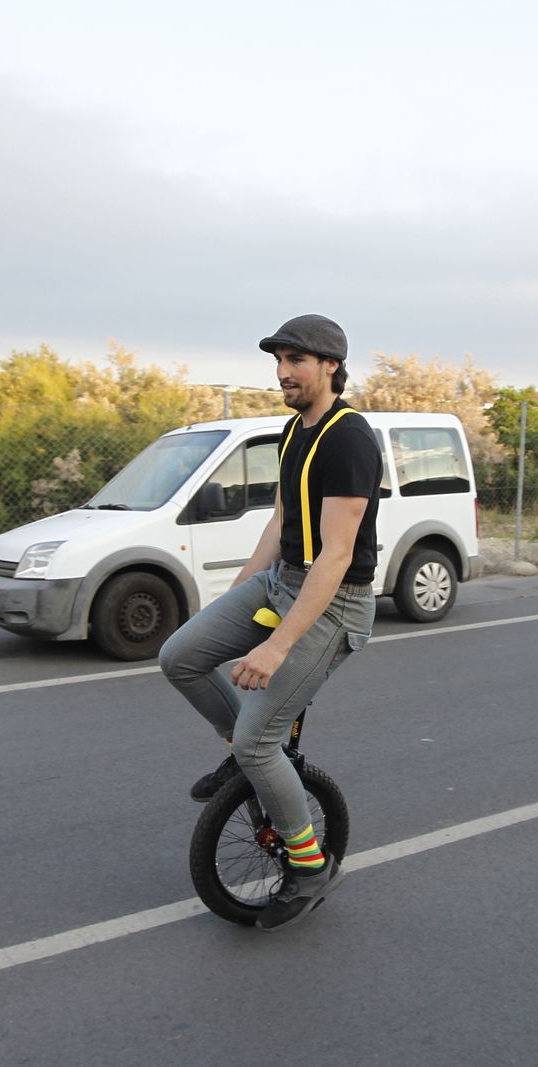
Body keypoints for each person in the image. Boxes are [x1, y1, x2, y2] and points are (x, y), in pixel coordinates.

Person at [159, 313, 380, 930]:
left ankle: (309, 865)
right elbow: (282, 520)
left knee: (262, 741)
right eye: (278, 361)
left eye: (296, 361)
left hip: (331, 603)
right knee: (180, 656)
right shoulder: (293, 431)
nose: (283, 373)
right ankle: (249, 754)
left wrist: (277, 647)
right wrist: (236, 594)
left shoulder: (349, 439)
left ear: (331, 365)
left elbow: (335, 556)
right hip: (280, 580)